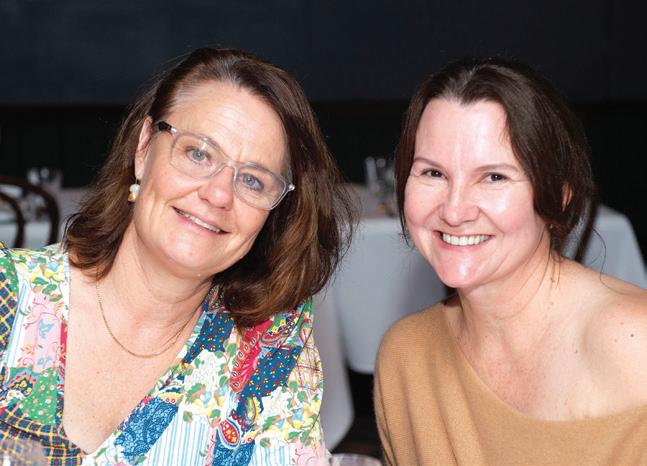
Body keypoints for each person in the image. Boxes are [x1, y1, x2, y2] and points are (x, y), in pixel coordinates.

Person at [0, 47, 354, 465]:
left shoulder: (266, 354)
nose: (218, 194)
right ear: (143, 148)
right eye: (198, 153)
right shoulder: (10, 295)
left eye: (253, 181)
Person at [374, 59, 647, 465]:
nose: (454, 211)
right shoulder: (406, 357)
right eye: (433, 173)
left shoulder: (634, 345)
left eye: (494, 177)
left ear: (560, 197)